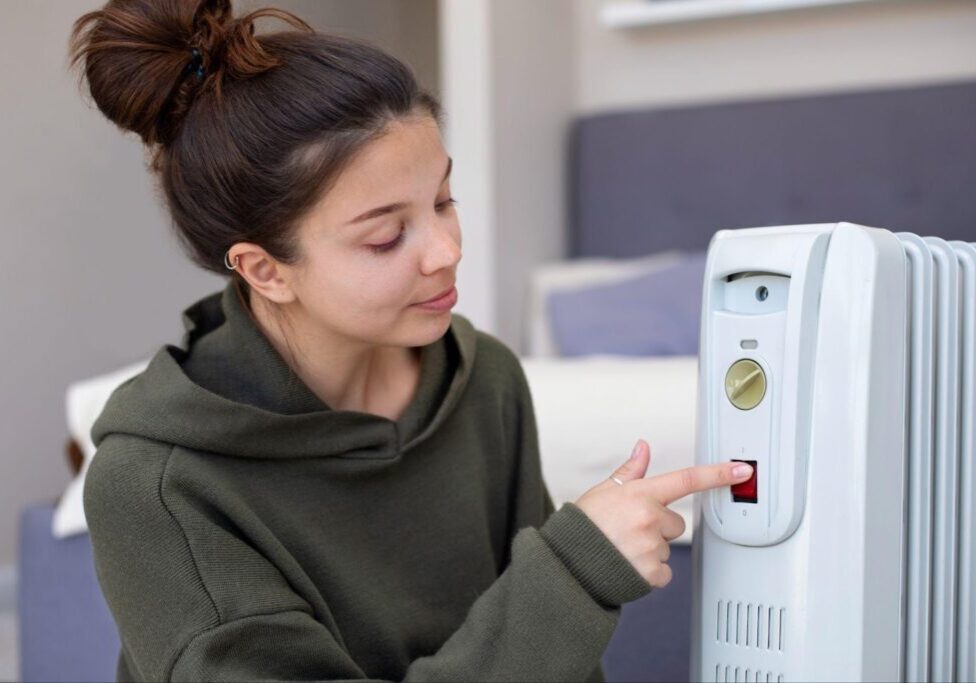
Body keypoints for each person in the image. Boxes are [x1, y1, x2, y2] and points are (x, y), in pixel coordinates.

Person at [67, 1, 755, 681]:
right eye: (386, 235)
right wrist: (574, 572)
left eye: (443, 201)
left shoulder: (483, 377)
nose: (447, 250)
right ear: (264, 269)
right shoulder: (159, 485)